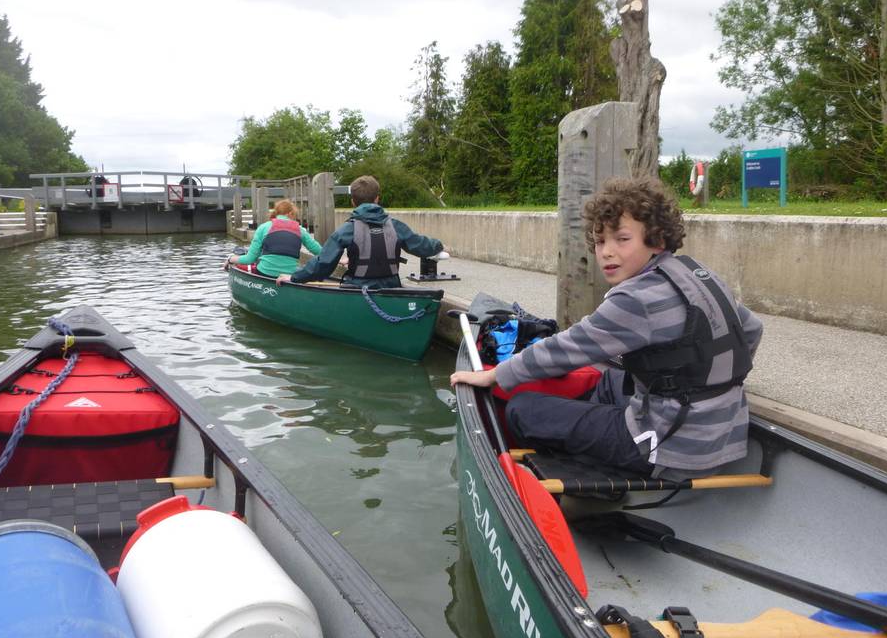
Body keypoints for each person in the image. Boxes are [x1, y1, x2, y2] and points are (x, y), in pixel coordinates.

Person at [450, 177, 763, 480]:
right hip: (723, 435)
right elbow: (750, 330)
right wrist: (704, 383)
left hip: (668, 447)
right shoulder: (697, 273)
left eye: (622, 239)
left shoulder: (635, 298)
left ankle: (579, 486)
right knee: (611, 381)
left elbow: (566, 349)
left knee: (523, 409)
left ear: (657, 240)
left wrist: (492, 376)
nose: (607, 251)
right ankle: (584, 428)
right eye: (600, 241)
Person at [276, 175, 444, 290]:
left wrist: (294, 277)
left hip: (358, 289)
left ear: (352, 202)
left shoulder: (346, 230)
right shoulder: (396, 226)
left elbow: (323, 265)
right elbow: (422, 246)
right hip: (391, 288)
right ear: (377, 198)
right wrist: (439, 246)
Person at [227, 199, 322, 277]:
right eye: (295, 216)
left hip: (265, 273)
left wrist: (230, 259)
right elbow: (319, 251)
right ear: (290, 214)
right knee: (299, 269)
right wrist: (336, 258)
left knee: (252, 261)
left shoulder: (263, 227)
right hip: (289, 276)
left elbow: (249, 259)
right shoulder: (301, 230)